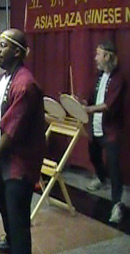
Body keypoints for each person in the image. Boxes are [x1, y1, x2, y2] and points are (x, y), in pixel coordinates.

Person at [0, 29, 45, 254]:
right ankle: (11, 240)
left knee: (18, 216)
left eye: (3, 46)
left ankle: (19, 246)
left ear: (17, 51)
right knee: (3, 202)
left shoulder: (25, 84)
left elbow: (13, 129)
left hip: (19, 163)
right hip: (3, 159)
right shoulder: (3, 79)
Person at [84, 41, 126, 224]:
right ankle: (101, 177)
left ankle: (117, 204)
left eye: (98, 54)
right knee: (93, 155)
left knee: (114, 167)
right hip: (96, 128)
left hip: (111, 131)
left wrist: (90, 109)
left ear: (108, 56)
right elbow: (92, 98)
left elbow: (108, 105)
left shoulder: (118, 79)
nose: (95, 58)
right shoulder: (99, 76)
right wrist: (83, 103)